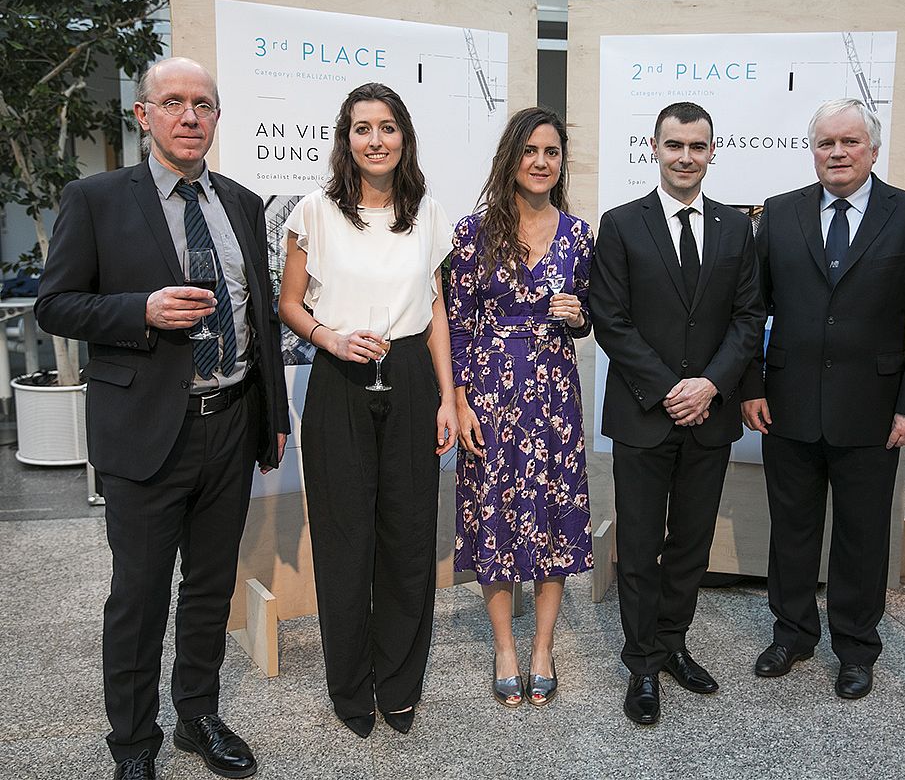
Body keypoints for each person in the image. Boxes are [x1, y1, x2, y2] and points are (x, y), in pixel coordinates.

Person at [36, 57, 289, 780]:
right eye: (173, 102)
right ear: (143, 115)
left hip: (230, 422)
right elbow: (56, 304)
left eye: (202, 104)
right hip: (146, 429)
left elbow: (259, 318)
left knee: (210, 588)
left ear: (217, 117)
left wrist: (272, 414)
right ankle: (133, 744)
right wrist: (139, 310)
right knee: (139, 597)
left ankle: (197, 716)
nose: (189, 116)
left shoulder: (241, 203)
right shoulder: (95, 199)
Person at [740, 98, 905, 700]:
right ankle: (792, 634)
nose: (837, 153)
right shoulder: (779, 213)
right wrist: (751, 386)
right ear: (813, 151)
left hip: (875, 410)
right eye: (826, 143)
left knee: (862, 537)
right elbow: (751, 308)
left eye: (850, 142)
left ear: (873, 150)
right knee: (792, 529)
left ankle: (856, 648)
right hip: (788, 404)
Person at [278, 82, 457, 739]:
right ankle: (350, 687)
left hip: (409, 377)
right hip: (339, 378)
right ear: (345, 139)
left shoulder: (427, 213)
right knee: (344, 540)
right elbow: (289, 303)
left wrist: (447, 397)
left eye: (387, 127)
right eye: (362, 128)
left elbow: (436, 312)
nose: (375, 140)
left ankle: (400, 684)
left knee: (408, 539)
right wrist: (328, 337)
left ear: (403, 136)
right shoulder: (315, 212)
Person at [590, 101, 765, 725]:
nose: (685, 157)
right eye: (674, 145)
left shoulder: (736, 228)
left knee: (691, 543)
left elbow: (748, 318)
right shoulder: (620, 225)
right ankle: (641, 663)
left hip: (709, 416)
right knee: (639, 545)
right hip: (644, 413)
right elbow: (610, 318)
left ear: (712, 151)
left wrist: (710, 385)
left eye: (697, 146)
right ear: (654, 149)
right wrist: (670, 388)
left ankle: (672, 644)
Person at [448, 106, 593, 708]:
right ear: (511, 158)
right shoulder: (473, 232)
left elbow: (590, 317)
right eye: (530, 150)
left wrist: (579, 317)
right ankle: (505, 647)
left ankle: (542, 648)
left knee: (554, 515)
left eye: (551, 152)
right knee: (497, 517)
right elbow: (456, 323)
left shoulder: (579, 235)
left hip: (555, 395)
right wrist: (460, 401)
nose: (540, 161)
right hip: (490, 394)